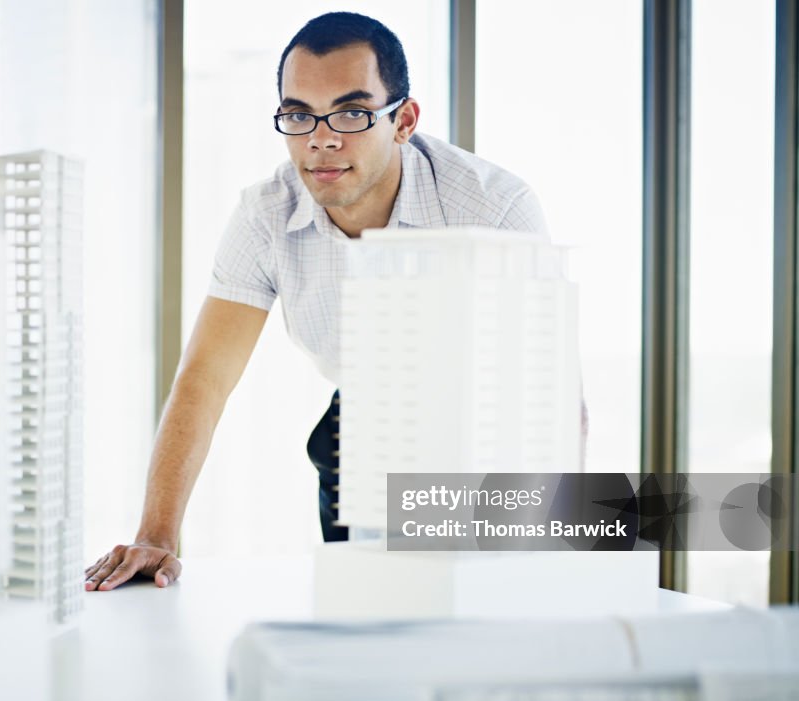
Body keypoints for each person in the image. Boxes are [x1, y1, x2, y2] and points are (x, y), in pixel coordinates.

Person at [84, 11, 549, 592]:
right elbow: (205, 377)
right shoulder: (265, 217)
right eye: (299, 115)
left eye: (352, 113)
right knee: (369, 603)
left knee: (475, 597)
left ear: (403, 120)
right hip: (359, 424)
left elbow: (542, 395)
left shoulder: (492, 209)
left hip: (480, 419)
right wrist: (156, 534)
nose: (321, 139)